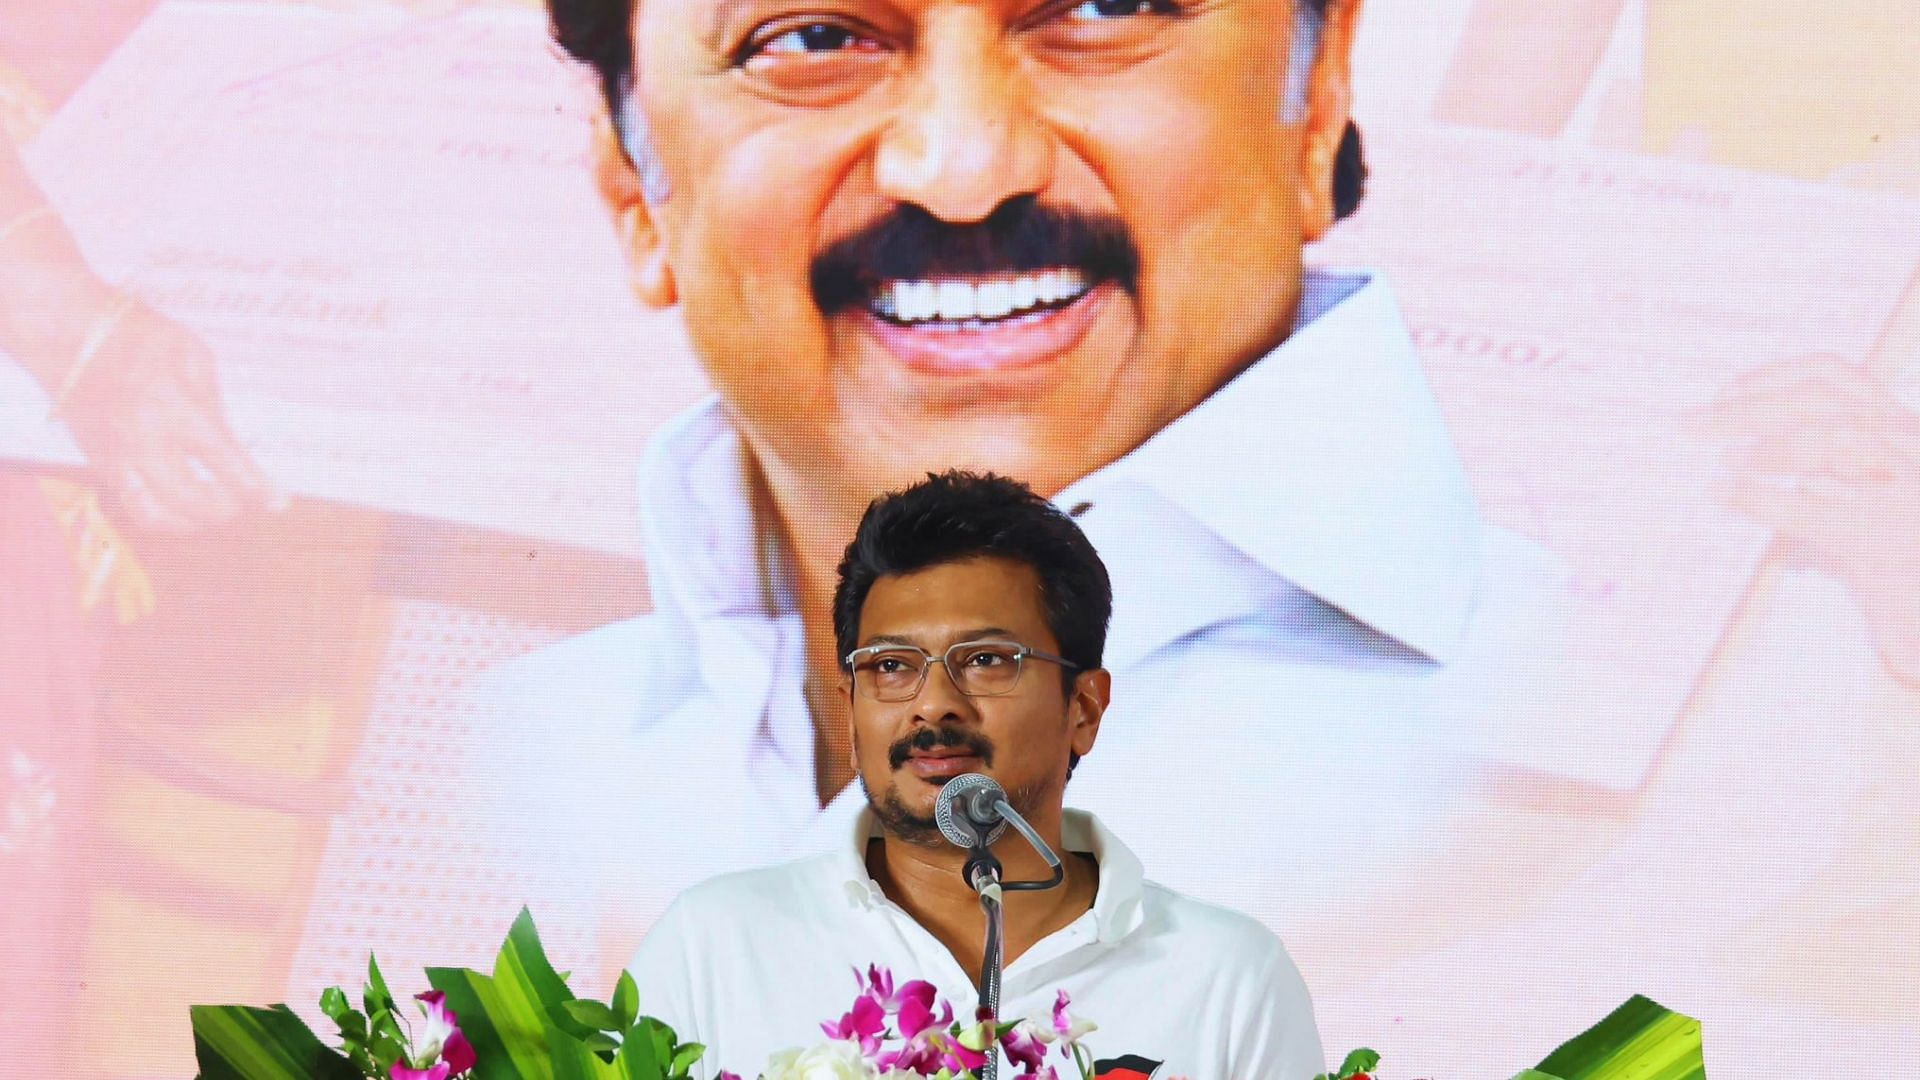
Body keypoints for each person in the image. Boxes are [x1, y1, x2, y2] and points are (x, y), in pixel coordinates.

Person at [466, 0, 1579, 978]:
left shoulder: (1584, 760)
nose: (965, 165)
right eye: (810, 37)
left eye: (1107, 6)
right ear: (631, 186)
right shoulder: (517, 768)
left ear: (1322, 92)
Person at [630, 470, 1325, 1079]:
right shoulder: (713, 946)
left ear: (1084, 707)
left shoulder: (1227, 976)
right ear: (851, 711)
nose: (934, 703)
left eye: (988, 660)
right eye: (892, 667)